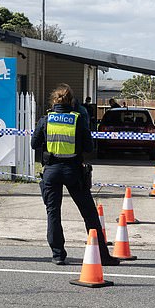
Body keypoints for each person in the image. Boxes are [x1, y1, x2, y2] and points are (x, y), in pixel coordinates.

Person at [31, 83, 120, 266]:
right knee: (89, 214)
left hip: (51, 171)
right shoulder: (78, 119)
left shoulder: (46, 120)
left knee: (53, 213)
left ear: (54, 101)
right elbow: (89, 147)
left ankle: (58, 255)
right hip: (73, 170)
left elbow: (34, 144)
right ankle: (102, 255)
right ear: (71, 101)